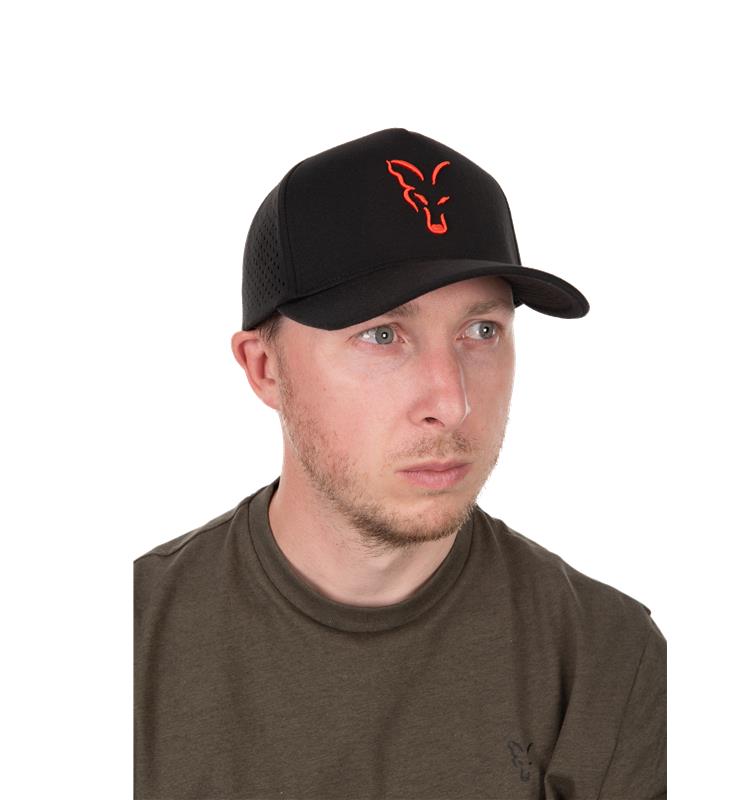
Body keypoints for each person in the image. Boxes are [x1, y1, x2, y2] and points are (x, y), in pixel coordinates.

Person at [134, 128, 667, 799]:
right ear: (265, 369)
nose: (452, 402)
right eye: (382, 335)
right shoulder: (127, 642)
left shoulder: (607, 660)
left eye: (482, 331)